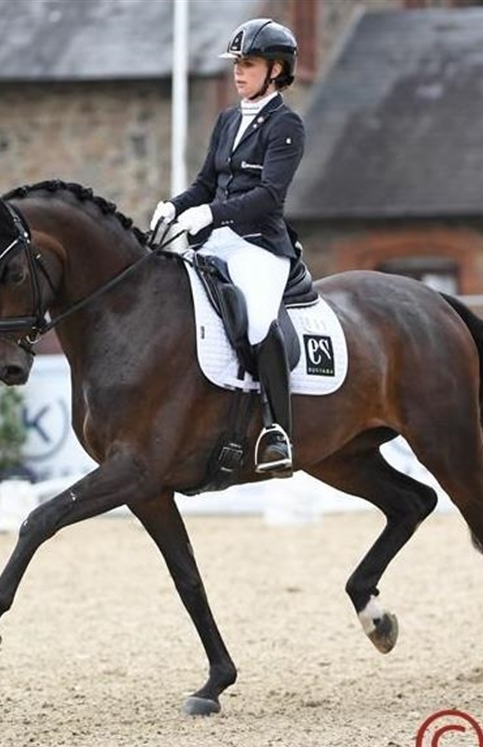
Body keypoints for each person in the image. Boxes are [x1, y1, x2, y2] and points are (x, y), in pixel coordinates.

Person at [150, 18, 305, 476]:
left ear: (276, 70)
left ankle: (278, 431)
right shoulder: (228, 119)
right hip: (215, 240)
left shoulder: (287, 125)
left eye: (249, 64)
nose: (238, 72)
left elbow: (269, 196)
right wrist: (175, 205)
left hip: (260, 246)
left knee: (258, 321)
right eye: (237, 63)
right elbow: (205, 183)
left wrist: (211, 214)